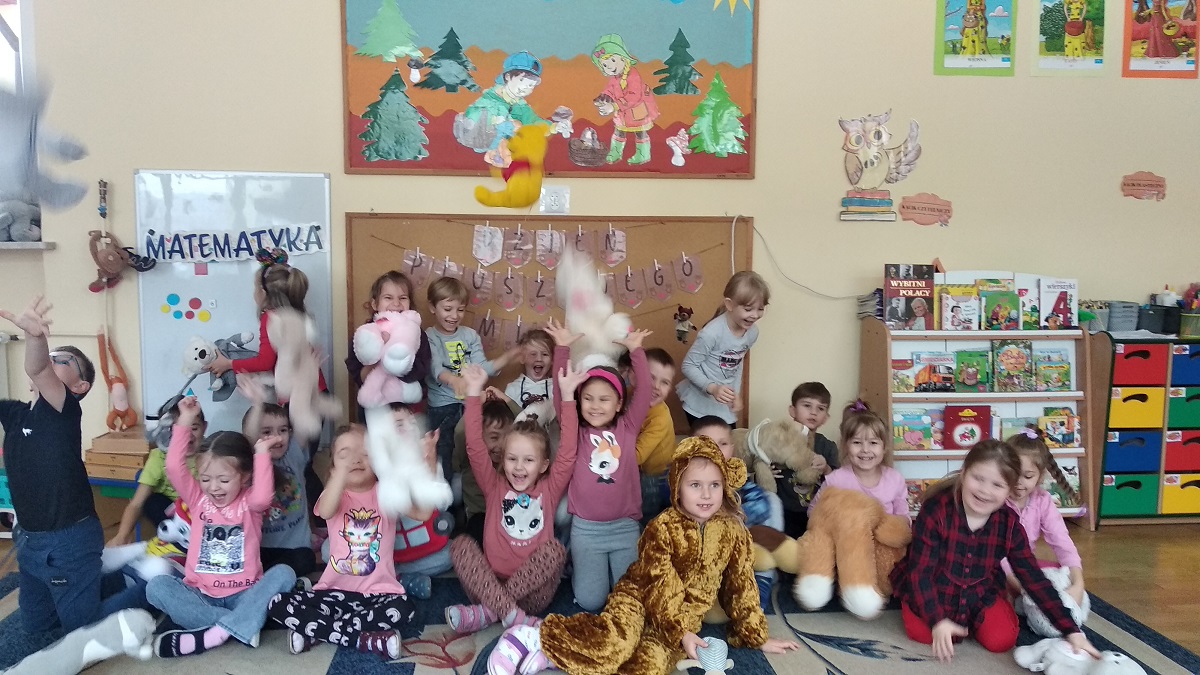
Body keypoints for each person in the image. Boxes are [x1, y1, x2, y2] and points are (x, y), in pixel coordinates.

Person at [486, 437, 800, 675]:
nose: (706, 494)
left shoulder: (734, 532)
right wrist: (682, 631)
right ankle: (535, 637)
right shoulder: (663, 527)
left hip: (679, 624)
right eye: (695, 485)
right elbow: (660, 584)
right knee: (615, 644)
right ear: (678, 488)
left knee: (650, 667)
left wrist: (755, 635)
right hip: (639, 600)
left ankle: (554, 658)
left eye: (714, 485)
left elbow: (741, 586)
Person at [0, 295, 148, 633]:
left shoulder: (63, 410)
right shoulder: (17, 413)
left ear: (80, 387)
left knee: (82, 630)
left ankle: (147, 588)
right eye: (51, 355)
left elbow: (38, 368)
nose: (51, 360)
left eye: (61, 359)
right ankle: (106, 579)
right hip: (30, 541)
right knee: (37, 628)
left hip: (68, 542)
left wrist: (35, 338)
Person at [891, 440, 1101, 663]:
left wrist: (1071, 630)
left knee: (1001, 640)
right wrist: (937, 620)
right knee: (923, 634)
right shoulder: (936, 510)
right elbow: (921, 574)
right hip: (935, 588)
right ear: (964, 473)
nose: (985, 491)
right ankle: (940, 619)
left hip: (979, 594)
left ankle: (979, 618)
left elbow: (1032, 577)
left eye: (997, 485)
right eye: (978, 478)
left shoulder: (1009, 524)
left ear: (1009, 490)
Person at [146, 396, 297, 658]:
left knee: (285, 573)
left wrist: (262, 454)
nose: (214, 487)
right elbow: (174, 467)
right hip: (201, 594)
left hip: (245, 594)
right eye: (206, 479)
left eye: (224, 480)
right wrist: (185, 420)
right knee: (156, 587)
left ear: (244, 477)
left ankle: (214, 632)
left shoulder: (250, 504)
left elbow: (263, 496)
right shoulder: (197, 499)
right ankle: (239, 625)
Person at [443, 361, 585, 634]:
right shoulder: (493, 485)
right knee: (460, 545)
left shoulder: (549, 488)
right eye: (512, 459)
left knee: (555, 550)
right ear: (503, 460)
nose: (519, 467)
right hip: (488, 586)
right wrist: (473, 393)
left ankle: (489, 614)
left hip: (533, 596)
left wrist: (568, 397)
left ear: (543, 465)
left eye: (528, 460)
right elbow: (474, 447)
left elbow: (568, 453)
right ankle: (510, 614)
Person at [266, 425, 423, 659]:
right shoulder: (334, 495)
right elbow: (326, 510)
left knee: (404, 609)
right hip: (334, 592)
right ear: (332, 468)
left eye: (365, 453)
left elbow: (422, 513)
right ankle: (365, 639)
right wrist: (338, 475)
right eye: (345, 455)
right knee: (277, 603)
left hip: (379, 594)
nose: (355, 460)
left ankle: (318, 631)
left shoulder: (387, 492)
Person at [204, 250, 328, 509]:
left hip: (301, 398)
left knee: (297, 463)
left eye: (254, 288)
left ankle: (318, 518)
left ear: (263, 293)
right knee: (302, 462)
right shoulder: (297, 315)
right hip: (315, 394)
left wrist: (228, 364)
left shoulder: (271, 317)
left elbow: (264, 362)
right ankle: (317, 518)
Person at [546, 316, 653, 611]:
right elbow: (561, 394)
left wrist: (636, 351)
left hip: (624, 529)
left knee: (629, 599)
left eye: (604, 400)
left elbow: (644, 391)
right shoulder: (575, 431)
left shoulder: (628, 427)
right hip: (586, 531)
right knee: (591, 601)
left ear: (619, 404)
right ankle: (581, 570)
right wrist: (562, 350)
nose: (595, 406)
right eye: (588, 399)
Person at [425, 277, 519, 483]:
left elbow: (481, 367)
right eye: (447, 309)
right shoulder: (429, 336)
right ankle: (445, 494)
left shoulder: (470, 336)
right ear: (432, 307)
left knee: (473, 450)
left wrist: (506, 358)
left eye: (460, 310)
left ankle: (469, 493)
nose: (454, 315)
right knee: (445, 452)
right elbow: (435, 367)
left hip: (471, 404)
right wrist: (454, 380)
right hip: (443, 407)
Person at [240, 377, 316, 578]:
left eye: (283, 430)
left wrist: (303, 378)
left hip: (295, 548)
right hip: (261, 548)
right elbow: (250, 436)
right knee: (248, 565)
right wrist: (257, 403)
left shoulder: (294, 455)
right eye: (267, 432)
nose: (277, 437)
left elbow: (301, 418)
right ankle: (276, 580)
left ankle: (274, 580)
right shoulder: (253, 460)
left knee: (305, 560)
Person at [1002, 428, 1086, 607]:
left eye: (1028, 476)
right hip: (994, 568)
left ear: (1040, 477)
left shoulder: (1042, 500)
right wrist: (1021, 587)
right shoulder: (997, 500)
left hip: (1023, 566)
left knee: (1061, 574)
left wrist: (1078, 583)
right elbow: (997, 555)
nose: (1018, 482)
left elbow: (1061, 541)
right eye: (1012, 473)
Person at [676, 271, 770, 427]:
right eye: (748, 309)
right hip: (700, 404)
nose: (754, 315)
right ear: (729, 304)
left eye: (760, 309)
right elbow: (688, 366)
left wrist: (736, 393)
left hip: (724, 404)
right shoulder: (711, 333)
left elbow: (737, 362)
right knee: (706, 442)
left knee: (726, 440)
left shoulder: (752, 333)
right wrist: (712, 388)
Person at [108, 402, 206, 547]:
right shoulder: (160, 457)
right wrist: (122, 536)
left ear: (204, 427)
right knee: (152, 501)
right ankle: (178, 542)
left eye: (195, 428)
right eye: (179, 429)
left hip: (202, 514)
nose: (188, 435)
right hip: (173, 518)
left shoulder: (209, 455)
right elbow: (136, 503)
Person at [457, 51, 572, 168]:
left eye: (531, 85)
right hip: (481, 141)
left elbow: (533, 123)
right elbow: (473, 121)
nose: (525, 87)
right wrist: (504, 124)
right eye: (522, 81)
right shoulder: (488, 100)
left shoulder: (520, 106)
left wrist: (554, 127)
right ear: (507, 76)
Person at [346, 270, 432, 416]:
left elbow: (422, 369)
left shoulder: (416, 334)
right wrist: (380, 353)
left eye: (403, 298)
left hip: (407, 404)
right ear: (375, 304)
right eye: (388, 298)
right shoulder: (366, 333)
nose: (396, 304)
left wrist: (397, 357)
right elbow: (358, 373)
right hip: (375, 405)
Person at [390, 404, 453, 600]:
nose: (409, 428)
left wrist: (430, 464)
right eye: (399, 425)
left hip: (426, 549)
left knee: (454, 552)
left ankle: (399, 577)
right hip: (391, 552)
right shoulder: (381, 466)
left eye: (413, 423)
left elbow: (443, 502)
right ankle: (399, 577)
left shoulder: (429, 461)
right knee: (331, 552)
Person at [809, 402, 908, 522]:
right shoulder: (835, 480)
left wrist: (895, 525)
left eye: (873, 443)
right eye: (857, 442)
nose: (865, 450)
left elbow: (903, 518)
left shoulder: (895, 479)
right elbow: (813, 512)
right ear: (846, 446)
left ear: (884, 447)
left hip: (885, 534)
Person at [617, 347, 677, 523]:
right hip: (634, 465)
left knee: (646, 510)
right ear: (634, 375)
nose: (656, 387)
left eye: (665, 382)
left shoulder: (660, 417)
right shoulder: (626, 396)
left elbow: (637, 456)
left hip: (656, 473)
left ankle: (646, 529)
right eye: (651, 377)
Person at [691, 415, 782, 531]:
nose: (716, 449)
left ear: (731, 448)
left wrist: (736, 515)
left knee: (772, 500)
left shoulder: (735, 473)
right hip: (698, 528)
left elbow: (758, 500)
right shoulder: (685, 473)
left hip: (734, 525)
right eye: (707, 443)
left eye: (723, 443)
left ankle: (771, 541)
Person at [590, 33, 660, 165]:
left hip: (637, 110)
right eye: (605, 65)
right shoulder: (614, 77)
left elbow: (634, 96)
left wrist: (614, 106)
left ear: (624, 59)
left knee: (640, 132)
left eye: (613, 61)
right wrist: (604, 97)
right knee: (619, 131)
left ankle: (643, 154)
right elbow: (610, 89)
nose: (610, 67)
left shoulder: (633, 75)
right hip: (623, 112)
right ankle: (616, 152)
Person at [454, 399, 516, 543]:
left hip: (508, 517)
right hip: (480, 516)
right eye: (494, 437)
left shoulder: (514, 464)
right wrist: (476, 403)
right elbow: (460, 431)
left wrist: (506, 399)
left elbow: (524, 422)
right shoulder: (470, 459)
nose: (501, 444)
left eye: (507, 437)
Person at [488, 328, 555, 414]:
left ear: (552, 360)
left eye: (545, 354)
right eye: (533, 354)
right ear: (522, 358)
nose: (539, 359)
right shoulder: (512, 389)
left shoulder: (555, 389)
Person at [788, 382, 839, 476]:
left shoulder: (828, 447)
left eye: (821, 408)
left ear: (825, 418)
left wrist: (826, 469)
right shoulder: (779, 438)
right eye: (807, 405)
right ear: (793, 411)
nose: (814, 412)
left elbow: (838, 479)